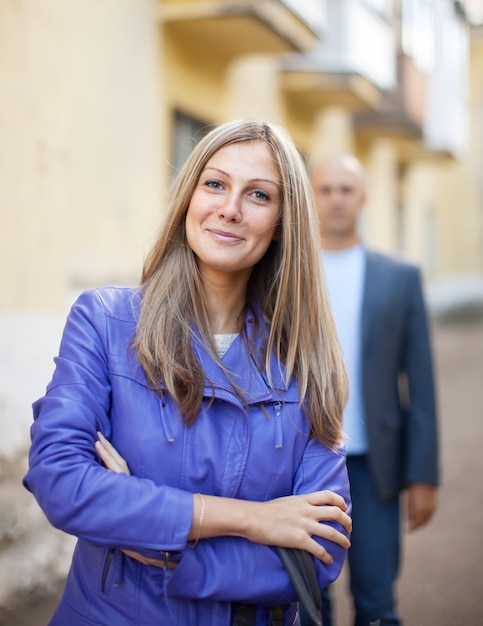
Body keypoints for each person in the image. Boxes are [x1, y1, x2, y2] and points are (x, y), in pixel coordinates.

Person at [23, 119, 353, 626]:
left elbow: (316, 553)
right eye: (215, 184)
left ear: (284, 222)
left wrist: (162, 547)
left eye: (259, 195)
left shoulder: (304, 364)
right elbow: (62, 480)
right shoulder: (105, 323)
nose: (230, 208)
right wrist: (256, 521)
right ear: (189, 197)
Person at [310, 154, 439, 626]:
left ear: (363, 198)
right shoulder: (282, 273)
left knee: (377, 603)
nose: (336, 199)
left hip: (374, 466)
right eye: (326, 189)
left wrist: (423, 475)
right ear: (311, 196)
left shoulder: (398, 277)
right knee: (305, 602)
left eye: (347, 189)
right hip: (302, 461)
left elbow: (420, 382)